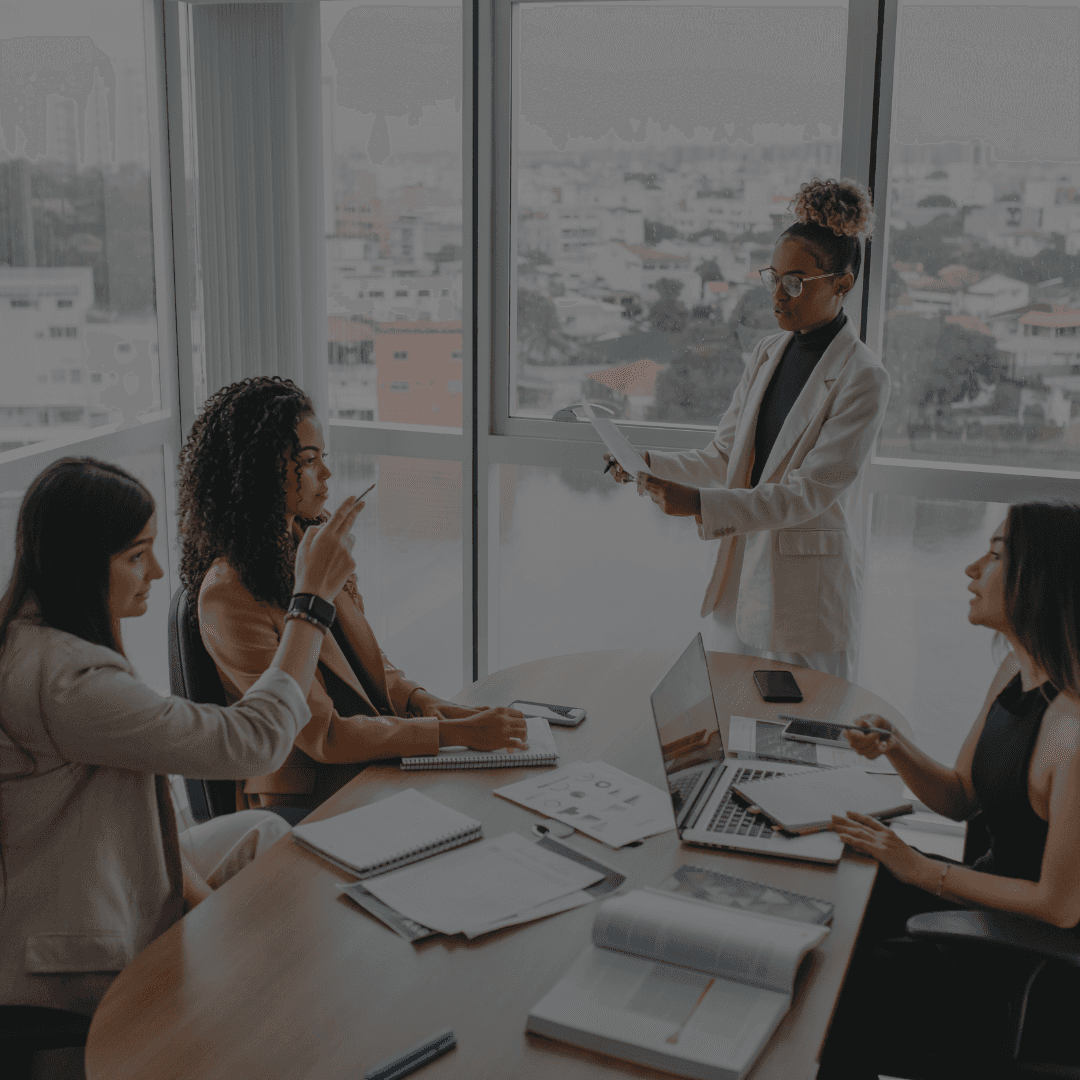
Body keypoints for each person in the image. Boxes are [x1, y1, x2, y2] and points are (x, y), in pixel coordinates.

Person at [0, 458, 361, 1029]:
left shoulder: (36, 635)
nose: (160, 571)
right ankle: (296, 1024)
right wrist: (310, 603)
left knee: (264, 832)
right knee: (277, 884)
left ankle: (301, 1005)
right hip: (70, 951)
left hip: (103, 864)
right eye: (136, 556)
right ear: (80, 565)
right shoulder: (70, 685)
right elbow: (256, 740)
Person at [178, 376, 527, 811]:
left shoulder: (309, 540)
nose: (326, 473)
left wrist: (427, 704)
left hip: (362, 765)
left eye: (323, 456)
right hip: (302, 801)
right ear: (257, 472)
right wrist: (452, 735)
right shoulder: (227, 597)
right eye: (308, 460)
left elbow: (367, 665)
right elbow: (324, 736)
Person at [817, 502, 1080, 1080]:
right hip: (976, 899)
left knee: (830, 991)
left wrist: (919, 870)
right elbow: (962, 795)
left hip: (1018, 958)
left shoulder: (1073, 731)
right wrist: (897, 746)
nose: (970, 570)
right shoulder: (1015, 670)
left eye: (993, 555)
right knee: (827, 897)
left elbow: (1060, 906)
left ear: (1039, 578)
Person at [607, 178, 889, 680]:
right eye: (773, 277)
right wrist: (645, 463)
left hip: (807, 604)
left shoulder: (864, 377)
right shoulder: (767, 351)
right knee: (730, 725)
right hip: (739, 588)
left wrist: (697, 503)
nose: (778, 295)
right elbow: (723, 456)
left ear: (842, 283)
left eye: (796, 282)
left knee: (801, 743)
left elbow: (805, 495)